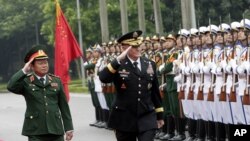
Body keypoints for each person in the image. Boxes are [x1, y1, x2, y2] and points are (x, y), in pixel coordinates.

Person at [99, 30, 164, 141]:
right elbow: (103, 78)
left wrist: (160, 116)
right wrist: (118, 59)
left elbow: (154, 92)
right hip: (124, 118)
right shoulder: (118, 64)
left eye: (139, 45)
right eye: (134, 46)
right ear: (125, 48)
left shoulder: (149, 64)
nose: (138, 48)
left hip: (146, 116)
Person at [7, 45, 74, 141]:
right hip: (36, 131)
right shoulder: (26, 82)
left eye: (46, 62)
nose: (44, 65)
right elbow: (11, 86)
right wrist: (24, 71)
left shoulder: (56, 81)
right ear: (32, 66)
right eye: (40, 63)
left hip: (56, 130)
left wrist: (69, 127)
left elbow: (64, 106)